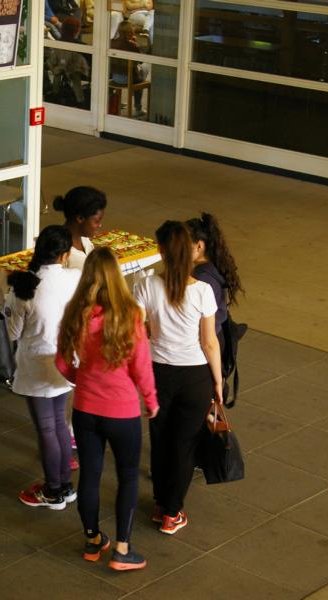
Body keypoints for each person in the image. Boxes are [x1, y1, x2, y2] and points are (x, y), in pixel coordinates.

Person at [56, 247, 158, 571]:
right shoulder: (130, 316)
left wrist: (78, 378)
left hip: (85, 409)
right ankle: (123, 549)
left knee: (90, 474)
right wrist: (152, 400)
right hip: (123, 412)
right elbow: (141, 367)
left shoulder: (75, 312)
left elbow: (60, 361)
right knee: (128, 476)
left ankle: (93, 539)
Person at [133, 220, 222, 536]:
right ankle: (173, 511)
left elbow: (138, 333)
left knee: (160, 440)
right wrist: (218, 382)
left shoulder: (145, 286)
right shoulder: (202, 290)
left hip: (158, 374)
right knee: (184, 445)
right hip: (195, 377)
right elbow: (209, 342)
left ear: (160, 251)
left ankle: (160, 503)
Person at [0, 226, 81, 510]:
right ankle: (65, 486)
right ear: (64, 256)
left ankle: (53, 490)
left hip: (35, 365)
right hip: (66, 361)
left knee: (46, 429)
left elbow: (13, 333)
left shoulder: (24, 288)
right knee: (60, 426)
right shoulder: (75, 279)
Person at [186, 212, 244, 353]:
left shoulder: (201, 278)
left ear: (199, 246)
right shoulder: (214, 266)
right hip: (218, 334)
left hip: (209, 340)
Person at [54, 186, 106, 270]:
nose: (100, 225)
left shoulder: (84, 240)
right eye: (97, 221)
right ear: (80, 218)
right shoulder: (59, 251)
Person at [46, 18, 90, 107]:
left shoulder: (57, 44)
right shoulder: (83, 47)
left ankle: (55, 93)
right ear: (77, 30)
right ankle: (80, 101)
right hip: (79, 72)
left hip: (59, 70)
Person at [110, 21, 147, 117]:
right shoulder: (132, 46)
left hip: (114, 77)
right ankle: (137, 107)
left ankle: (122, 99)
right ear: (130, 32)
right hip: (129, 79)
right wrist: (135, 44)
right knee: (146, 67)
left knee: (138, 71)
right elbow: (140, 61)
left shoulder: (111, 42)